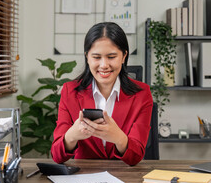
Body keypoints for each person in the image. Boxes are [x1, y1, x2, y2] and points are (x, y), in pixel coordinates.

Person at [51, 22, 153, 166]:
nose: (104, 65)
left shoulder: (142, 94)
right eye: (96, 57)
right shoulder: (70, 91)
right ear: (87, 57)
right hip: (83, 178)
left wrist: (119, 138)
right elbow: (56, 155)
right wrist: (72, 136)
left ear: (124, 56)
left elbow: (135, 157)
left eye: (111, 57)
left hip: (125, 178)